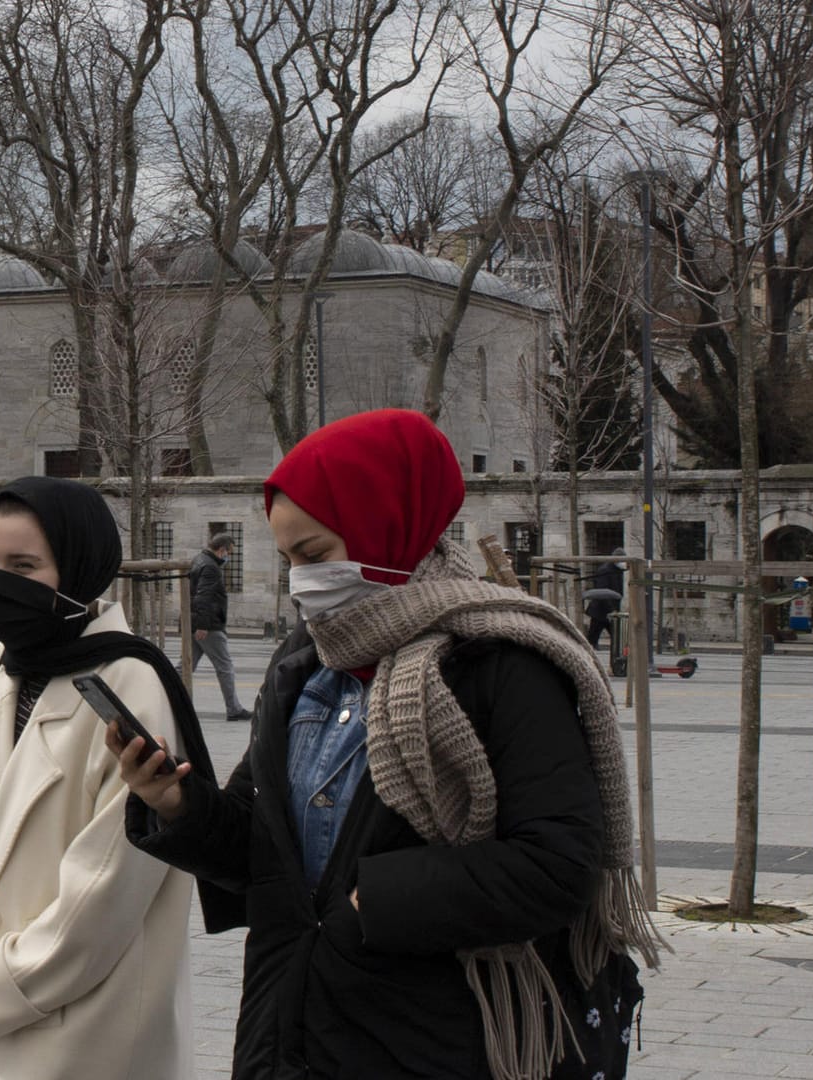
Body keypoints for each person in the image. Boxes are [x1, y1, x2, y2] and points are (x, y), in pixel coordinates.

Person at [111, 410, 661, 1080]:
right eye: (288, 561)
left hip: (434, 1040)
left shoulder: (501, 662)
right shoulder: (305, 663)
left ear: (386, 519)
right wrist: (176, 805)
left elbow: (555, 865)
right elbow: (269, 856)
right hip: (290, 1032)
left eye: (314, 555)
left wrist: (374, 903)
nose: (300, 581)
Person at [0, 477, 228, 1080]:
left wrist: (1, 984)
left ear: (78, 570)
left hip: (94, 1021)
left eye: (24, 566)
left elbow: (111, 884)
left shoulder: (130, 680)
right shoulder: (3, 667)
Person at [190, 532, 254, 722]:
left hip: (197, 621)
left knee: (185, 666)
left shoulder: (198, 560)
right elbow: (203, 596)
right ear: (221, 550)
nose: (229, 556)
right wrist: (203, 625)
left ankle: (162, 695)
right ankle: (234, 709)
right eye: (229, 552)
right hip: (209, 626)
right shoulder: (210, 567)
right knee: (225, 667)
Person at [583, 548, 627, 651]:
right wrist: (612, 609)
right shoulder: (605, 570)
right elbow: (603, 592)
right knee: (595, 636)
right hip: (601, 609)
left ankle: (614, 653)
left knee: (612, 635)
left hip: (607, 610)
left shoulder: (616, 570)